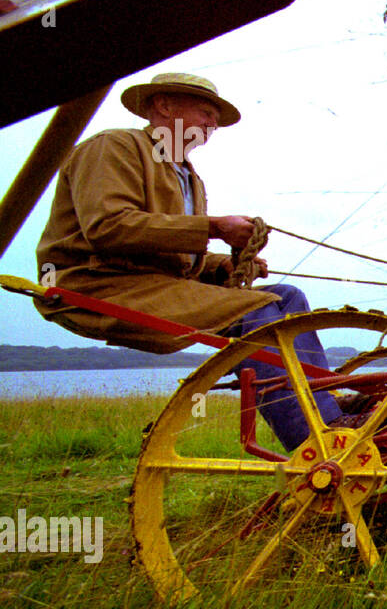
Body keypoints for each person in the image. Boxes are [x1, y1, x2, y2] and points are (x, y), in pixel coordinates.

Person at [35, 71, 341, 449]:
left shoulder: (190, 178)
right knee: (259, 312)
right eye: (206, 111)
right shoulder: (113, 147)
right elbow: (109, 227)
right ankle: (318, 440)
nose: (213, 123)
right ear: (163, 105)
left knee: (287, 297)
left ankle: (328, 405)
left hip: (155, 286)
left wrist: (220, 265)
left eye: (215, 117)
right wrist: (212, 227)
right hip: (98, 284)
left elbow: (177, 257)